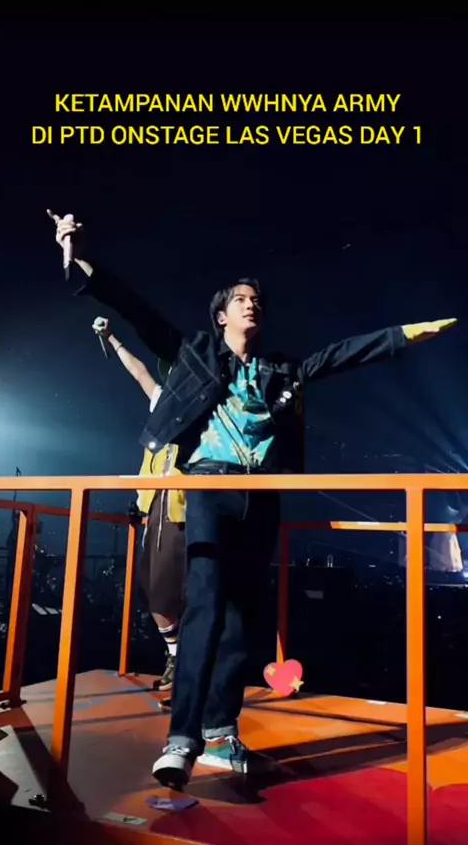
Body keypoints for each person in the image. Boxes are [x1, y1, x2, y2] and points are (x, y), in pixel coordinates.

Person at [48, 211, 456, 788]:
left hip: (260, 494)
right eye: (240, 299)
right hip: (209, 486)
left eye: (256, 300)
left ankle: (221, 731)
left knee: (243, 617)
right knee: (207, 605)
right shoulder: (193, 352)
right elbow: (135, 309)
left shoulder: (279, 369)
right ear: (221, 316)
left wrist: (407, 335)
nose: (251, 305)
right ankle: (182, 739)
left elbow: (341, 355)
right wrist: (79, 256)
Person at [92, 315, 186, 692]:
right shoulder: (163, 402)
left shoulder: (207, 406)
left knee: (184, 592)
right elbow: (138, 372)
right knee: (154, 591)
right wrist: (112, 338)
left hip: (188, 506)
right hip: (158, 507)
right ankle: (178, 656)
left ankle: (188, 661)